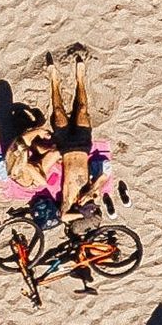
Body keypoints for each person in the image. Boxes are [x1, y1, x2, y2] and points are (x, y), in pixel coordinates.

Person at [40, 48, 98, 210]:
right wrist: (89, 195)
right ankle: (80, 78)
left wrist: (76, 211)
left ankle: (54, 81)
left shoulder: (68, 199)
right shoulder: (92, 194)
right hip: (83, 145)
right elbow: (103, 178)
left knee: (58, 112)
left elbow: (63, 216)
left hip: (64, 147)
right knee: (82, 109)